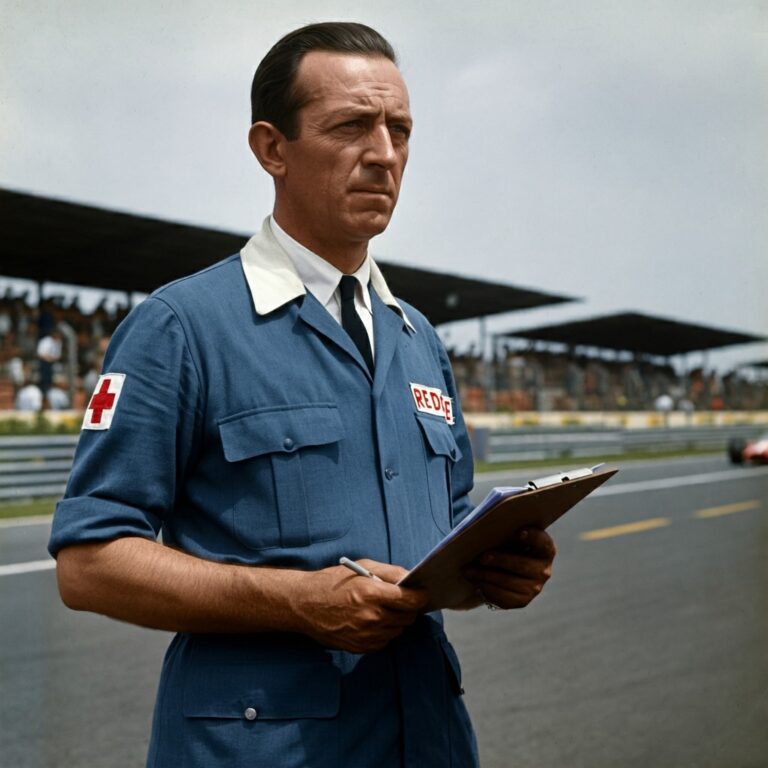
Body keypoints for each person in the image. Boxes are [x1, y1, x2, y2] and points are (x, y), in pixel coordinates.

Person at [49, 22, 556, 768]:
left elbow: (439, 526)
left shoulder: (417, 336)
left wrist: (492, 568)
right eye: (352, 126)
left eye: (400, 129)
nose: (383, 154)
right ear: (271, 148)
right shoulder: (182, 327)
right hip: (260, 747)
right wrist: (296, 599)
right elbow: (89, 562)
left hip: (428, 739)